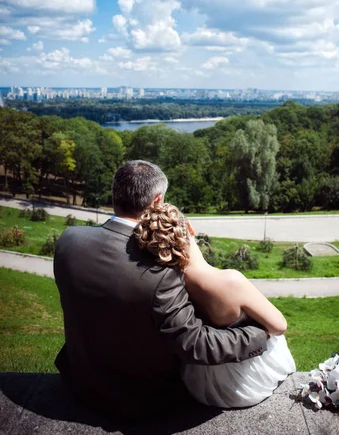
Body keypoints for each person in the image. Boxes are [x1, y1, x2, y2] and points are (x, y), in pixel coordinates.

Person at [54, 160, 268, 416]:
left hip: (78, 382)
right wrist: (257, 335)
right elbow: (196, 344)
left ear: (115, 194)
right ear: (157, 202)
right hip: (140, 399)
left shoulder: (69, 241)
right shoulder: (160, 271)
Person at [135, 202, 296, 408]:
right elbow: (279, 326)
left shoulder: (169, 285)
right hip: (246, 383)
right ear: (191, 229)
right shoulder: (231, 280)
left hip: (200, 382)